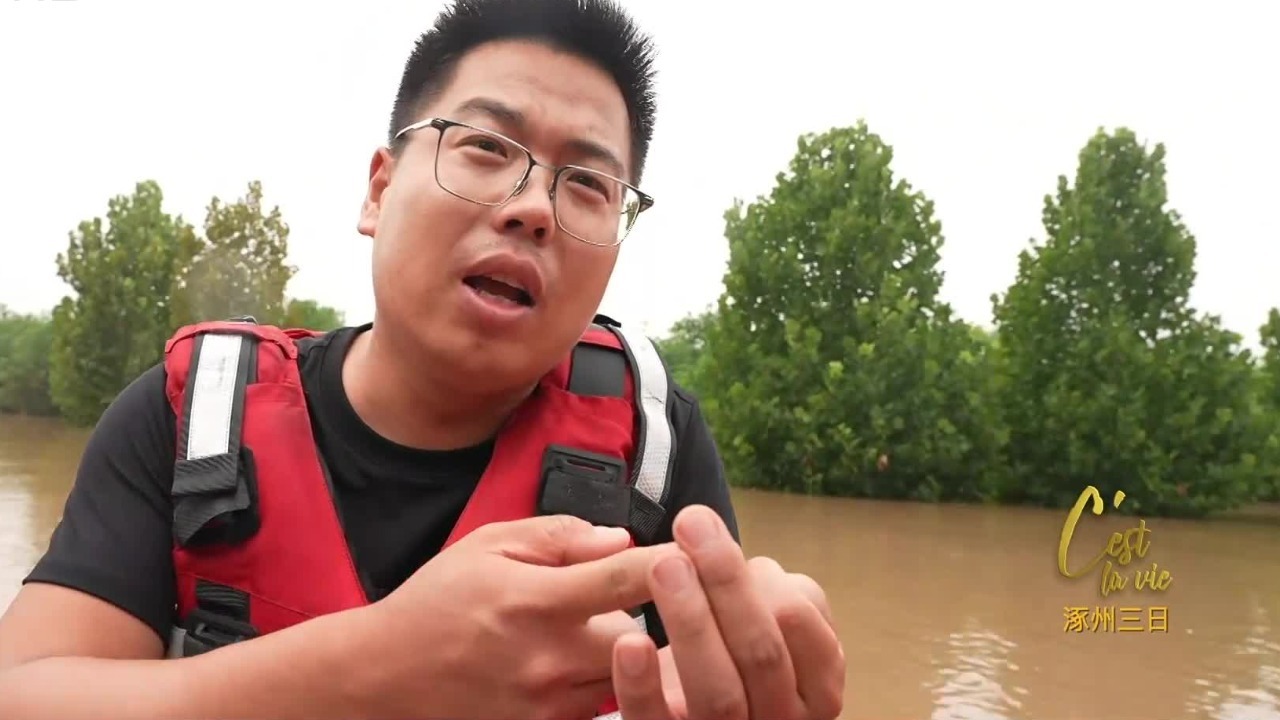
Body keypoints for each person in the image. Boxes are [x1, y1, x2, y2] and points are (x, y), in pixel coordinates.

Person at [0, 0, 846, 718]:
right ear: (378, 190)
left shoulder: (655, 451)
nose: (532, 210)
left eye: (587, 185)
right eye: (485, 147)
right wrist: (374, 664)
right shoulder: (190, 420)